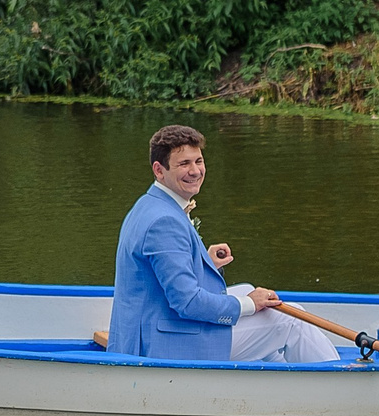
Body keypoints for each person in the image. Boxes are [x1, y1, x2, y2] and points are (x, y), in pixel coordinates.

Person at [108, 125, 341, 364]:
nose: (195, 171)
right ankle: (337, 384)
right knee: (292, 319)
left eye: (198, 161)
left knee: (249, 291)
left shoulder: (150, 204)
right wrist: (250, 304)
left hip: (156, 326)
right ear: (159, 170)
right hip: (165, 345)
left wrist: (204, 262)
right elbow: (187, 302)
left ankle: (277, 385)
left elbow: (165, 274)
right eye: (184, 164)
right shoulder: (165, 221)